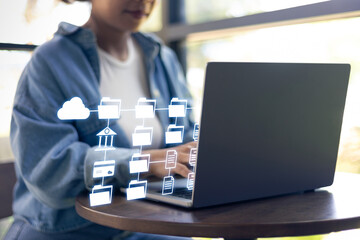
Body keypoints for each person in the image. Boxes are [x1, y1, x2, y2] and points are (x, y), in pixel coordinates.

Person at [5, 0, 196, 239]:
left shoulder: (162, 58)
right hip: (71, 230)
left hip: (147, 221)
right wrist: (142, 162)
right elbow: (49, 170)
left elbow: (185, 138)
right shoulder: (51, 61)